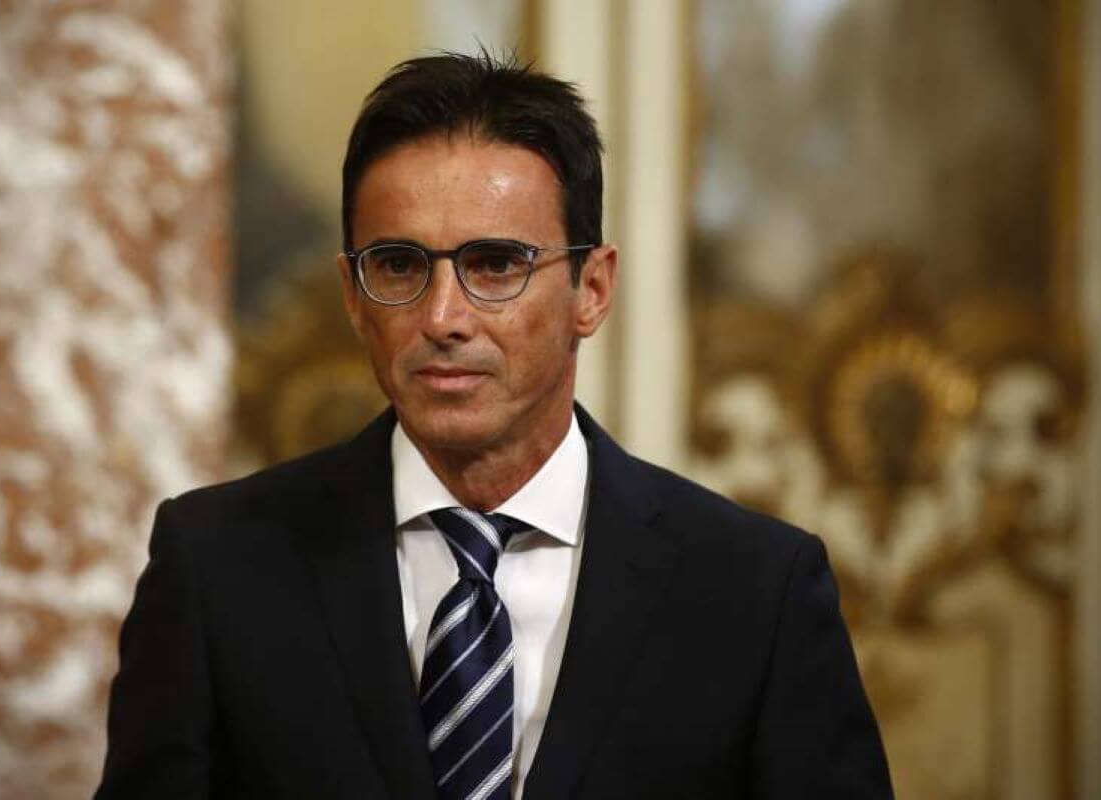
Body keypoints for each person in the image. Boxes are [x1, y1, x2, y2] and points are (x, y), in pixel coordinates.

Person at [96, 51, 893, 800]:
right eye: (400, 265)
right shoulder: (217, 566)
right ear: (352, 295)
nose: (443, 316)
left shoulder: (756, 591)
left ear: (592, 289)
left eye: (496, 264)